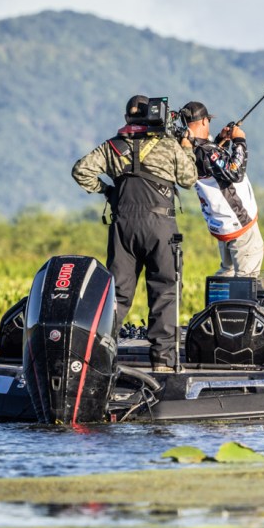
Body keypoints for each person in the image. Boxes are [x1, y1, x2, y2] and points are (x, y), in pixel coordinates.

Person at [71, 95, 198, 372]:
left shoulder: (112, 146)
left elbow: (81, 171)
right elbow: (189, 180)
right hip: (160, 225)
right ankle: (163, 362)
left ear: (127, 118)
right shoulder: (168, 145)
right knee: (165, 290)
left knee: (116, 293)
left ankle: (98, 359)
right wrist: (186, 148)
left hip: (123, 226)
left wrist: (108, 191)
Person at [181, 101, 264, 277]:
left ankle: (219, 295)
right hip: (239, 223)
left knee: (227, 273)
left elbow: (212, 164)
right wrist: (239, 140)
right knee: (246, 279)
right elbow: (235, 172)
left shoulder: (188, 147)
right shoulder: (206, 152)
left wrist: (222, 139)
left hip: (223, 224)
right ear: (204, 121)